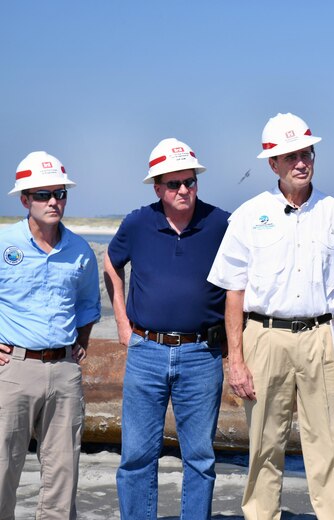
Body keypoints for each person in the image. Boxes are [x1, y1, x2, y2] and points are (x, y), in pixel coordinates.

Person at [207, 112, 334, 520]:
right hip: (265, 338)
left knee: (330, 447)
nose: (300, 161)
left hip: (320, 338)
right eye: (290, 155)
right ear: (272, 163)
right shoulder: (247, 215)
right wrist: (235, 360)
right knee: (263, 447)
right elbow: (233, 295)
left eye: (306, 152)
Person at [105, 138, 229, 519]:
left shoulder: (221, 222)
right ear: (157, 187)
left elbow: (243, 282)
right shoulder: (137, 223)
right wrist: (123, 325)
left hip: (202, 355)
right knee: (137, 457)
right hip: (146, 352)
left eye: (189, 182)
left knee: (200, 458)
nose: (183, 190)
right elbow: (112, 265)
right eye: (173, 184)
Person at [0, 151, 100, 519]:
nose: (54, 201)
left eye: (59, 193)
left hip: (63, 371)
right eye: (42, 194)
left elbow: (89, 305)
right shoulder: (3, 243)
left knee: (62, 473)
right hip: (13, 369)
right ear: (25, 199)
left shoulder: (79, 250)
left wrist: (82, 343)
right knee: (2, 469)